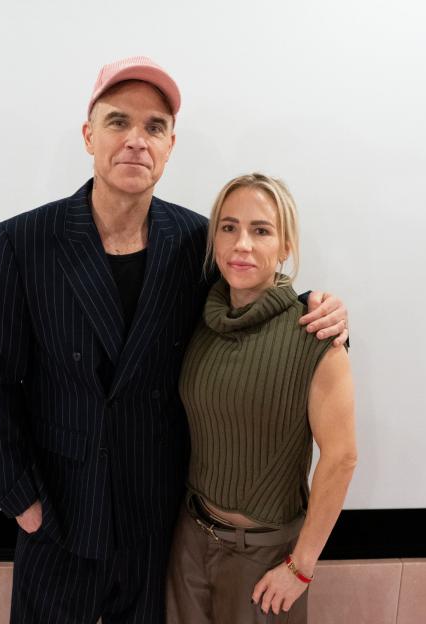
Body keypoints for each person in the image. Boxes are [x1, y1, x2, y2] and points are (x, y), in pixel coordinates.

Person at [0, 57, 349, 624]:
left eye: (154, 127)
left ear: (170, 146)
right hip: (59, 512)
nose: (135, 141)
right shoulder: (23, 242)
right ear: (88, 135)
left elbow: (253, 305)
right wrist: (19, 498)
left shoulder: (195, 240)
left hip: (158, 517)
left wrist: (325, 315)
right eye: (119, 122)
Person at [165, 173, 357, 623]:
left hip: (267, 556)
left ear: (285, 245)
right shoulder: (198, 320)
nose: (242, 244)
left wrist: (301, 567)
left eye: (261, 230)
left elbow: (342, 457)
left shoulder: (315, 335)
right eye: (228, 227)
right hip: (189, 542)